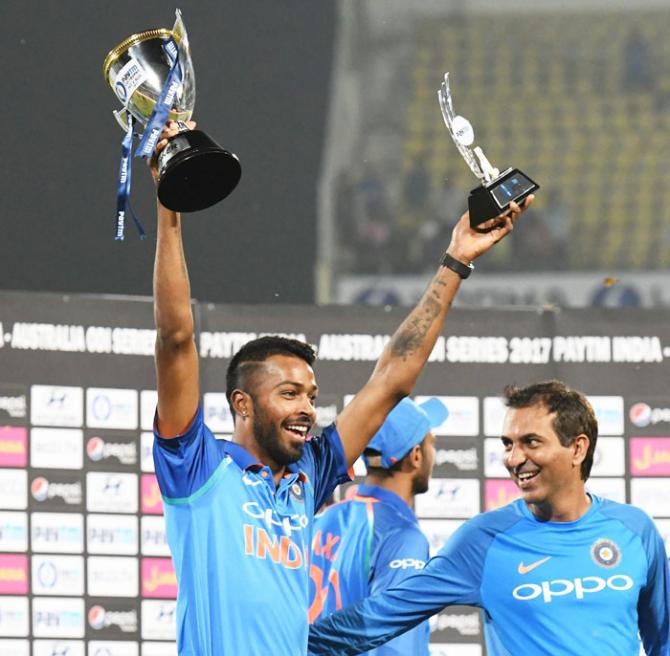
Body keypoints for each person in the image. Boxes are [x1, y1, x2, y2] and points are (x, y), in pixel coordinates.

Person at [149, 121, 531, 656]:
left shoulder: (309, 474)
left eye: (310, 394)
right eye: (288, 394)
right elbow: (176, 337)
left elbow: (393, 378)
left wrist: (457, 259)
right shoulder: (196, 466)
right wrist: (172, 205)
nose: (307, 408)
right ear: (242, 403)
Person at [309, 380, 670, 656]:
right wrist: (280, 645)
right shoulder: (483, 540)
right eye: (508, 444)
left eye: (530, 442)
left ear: (577, 448)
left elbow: (663, 640)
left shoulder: (635, 531)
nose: (513, 458)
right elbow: (378, 617)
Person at [309, 397, 448, 655]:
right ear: (416, 456)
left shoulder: (324, 517)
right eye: (431, 443)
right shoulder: (401, 535)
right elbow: (398, 645)